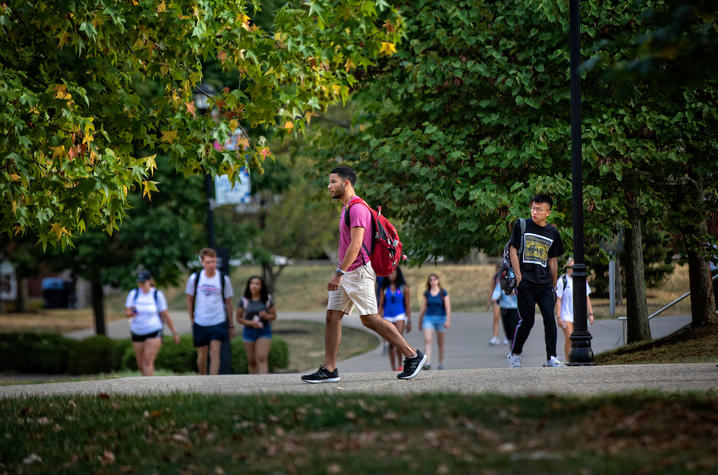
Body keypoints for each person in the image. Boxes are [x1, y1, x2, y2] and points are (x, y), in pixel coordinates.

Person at [301, 166, 426, 383]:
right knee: (332, 316)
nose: (329, 186)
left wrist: (339, 272)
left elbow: (357, 245)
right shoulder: (347, 207)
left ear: (346, 183)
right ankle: (330, 369)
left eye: (333, 182)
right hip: (347, 271)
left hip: (357, 271)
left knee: (370, 319)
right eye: (329, 183)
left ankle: (413, 355)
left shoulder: (357, 208)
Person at [507, 194, 565, 368]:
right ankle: (515, 354)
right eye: (533, 208)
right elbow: (513, 250)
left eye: (539, 209)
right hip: (525, 282)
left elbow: (553, 260)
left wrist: (554, 284)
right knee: (527, 321)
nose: (534, 211)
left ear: (548, 212)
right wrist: (518, 277)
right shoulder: (522, 225)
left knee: (549, 319)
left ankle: (552, 358)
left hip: (545, 284)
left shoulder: (553, 232)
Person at [185, 248, 234, 375]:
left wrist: (231, 324)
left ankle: (212, 382)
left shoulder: (223, 279)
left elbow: (229, 303)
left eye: (213, 261)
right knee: (202, 355)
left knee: (215, 351)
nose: (211, 265)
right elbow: (189, 299)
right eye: (208, 262)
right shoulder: (195, 278)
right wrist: (191, 318)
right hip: (200, 321)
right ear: (202, 262)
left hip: (218, 320)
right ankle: (203, 378)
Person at [124, 270, 180, 376]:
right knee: (140, 364)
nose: (141, 285)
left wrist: (174, 332)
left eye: (143, 282)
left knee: (147, 361)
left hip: (153, 330)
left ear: (149, 281)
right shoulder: (134, 294)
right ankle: (146, 387)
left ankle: (150, 390)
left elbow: (165, 315)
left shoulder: (156, 294)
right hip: (136, 331)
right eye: (139, 282)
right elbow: (127, 313)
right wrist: (131, 313)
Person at [556, 257, 594, 362]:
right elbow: (558, 300)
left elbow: (587, 298)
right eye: (569, 267)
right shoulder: (562, 281)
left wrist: (591, 314)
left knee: (578, 340)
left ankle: (575, 359)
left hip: (578, 316)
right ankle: (569, 360)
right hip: (565, 314)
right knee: (569, 338)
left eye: (573, 267)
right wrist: (558, 317)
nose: (571, 269)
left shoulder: (581, 279)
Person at [236, 275, 276, 374]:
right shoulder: (244, 301)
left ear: (261, 286)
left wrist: (266, 316)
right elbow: (238, 318)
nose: (254, 286)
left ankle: (263, 384)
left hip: (264, 331)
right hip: (248, 332)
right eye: (252, 283)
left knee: (261, 358)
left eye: (257, 284)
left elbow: (273, 316)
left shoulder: (267, 300)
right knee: (252, 361)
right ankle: (253, 386)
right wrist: (251, 323)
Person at [378, 267, 412, 371]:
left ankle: (400, 365)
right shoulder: (384, 289)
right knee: (391, 344)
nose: (391, 275)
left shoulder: (403, 288)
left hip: (399, 315)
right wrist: (378, 318)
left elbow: (407, 305)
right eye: (389, 273)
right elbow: (381, 305)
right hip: (388, 316)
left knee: (398, 340)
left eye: (393, 272)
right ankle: (393, 368)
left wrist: (409, 320)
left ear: (398, 274)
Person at [417, 273, 451, 370]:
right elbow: (423, 308)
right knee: (428, 340)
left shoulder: (443, 293)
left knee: (441, 343)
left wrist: (448, 320)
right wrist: (420, 321)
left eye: (434, 279)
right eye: (431, 280)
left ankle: (440, 363)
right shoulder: (426, 293)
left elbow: (448, 308)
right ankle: (428, 362)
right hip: (428, 318)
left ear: (438, 280)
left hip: (441, 319)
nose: (433, 281)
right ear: (429, 282)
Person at [486, 263, 503, 345]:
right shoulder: (495, 277)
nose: (499, 270)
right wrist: (488, 301)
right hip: (496, 299)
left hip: (506, 300)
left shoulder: (507, 276)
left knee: (507, 319)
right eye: (498, 269)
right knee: (496, 318)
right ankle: (495, 337)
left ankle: (508, 337)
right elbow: (491, 289)